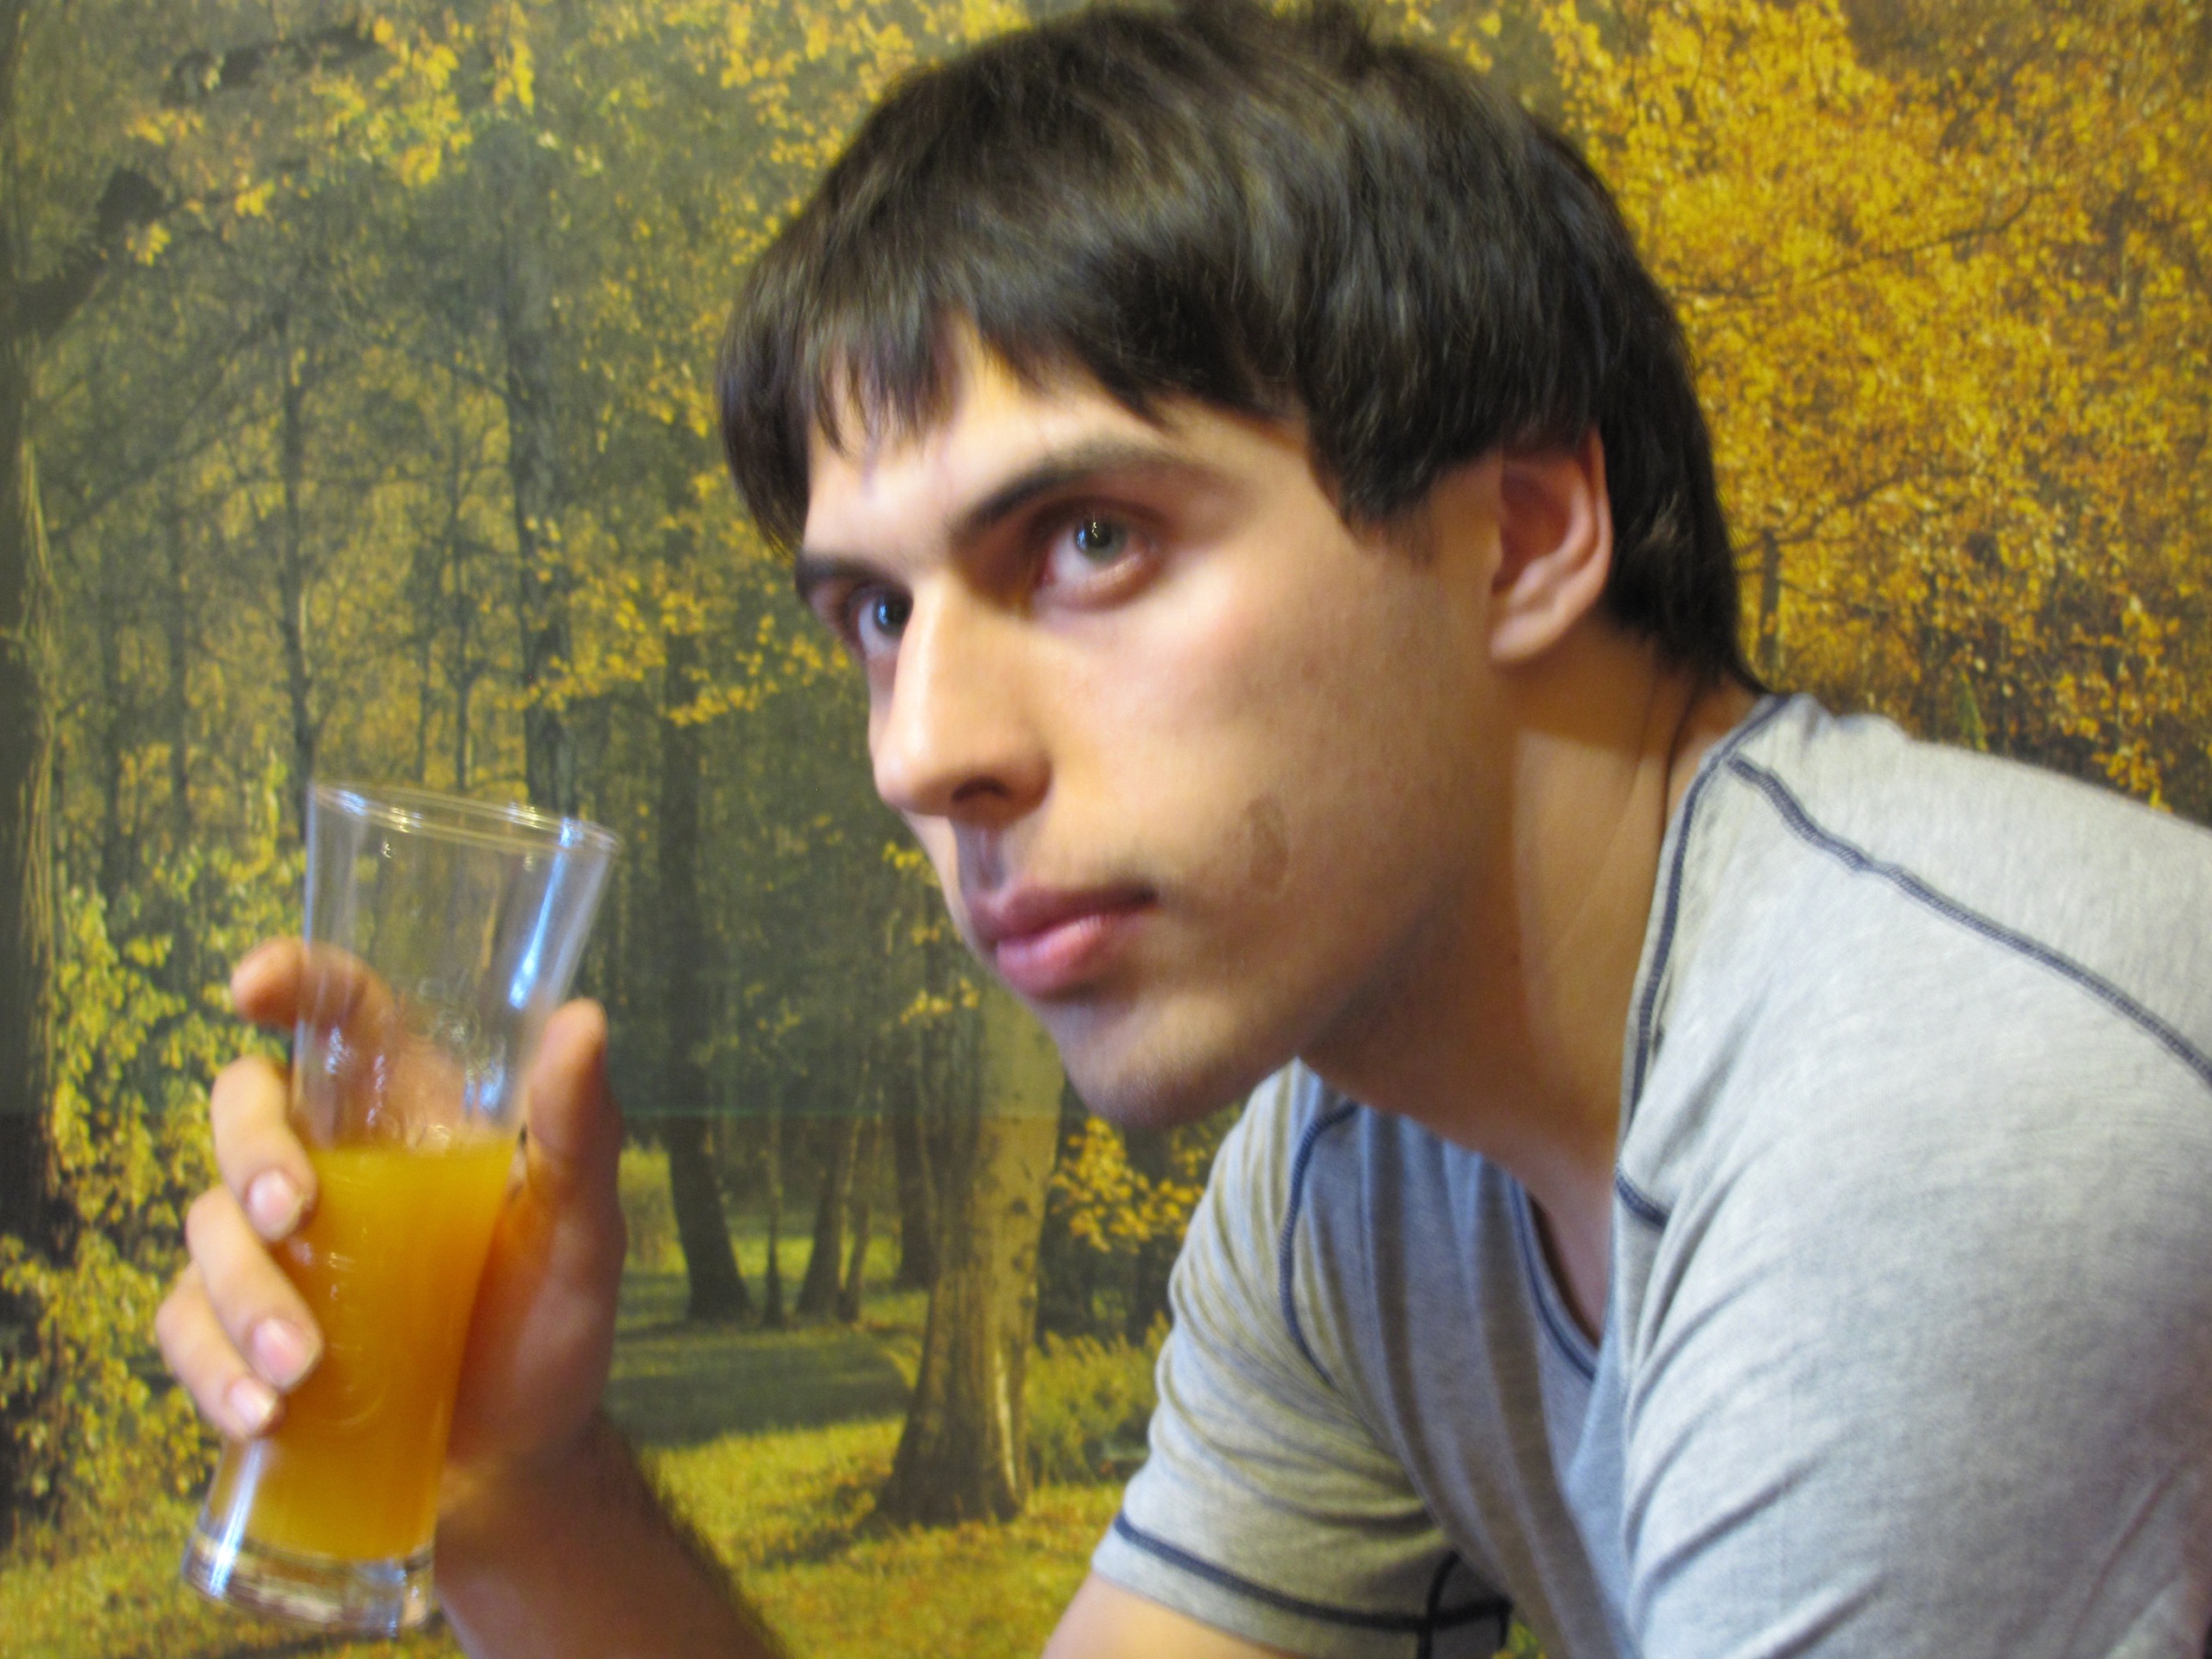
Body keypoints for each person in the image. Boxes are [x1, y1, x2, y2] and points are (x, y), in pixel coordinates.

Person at [157, 1, 2212, 1655]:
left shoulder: (1928, 1124)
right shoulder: (1360, 1170)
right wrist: (519, 1487)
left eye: (1084, 540)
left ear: (1519, 533)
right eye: (873, 616)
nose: (917, 752)